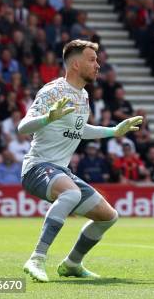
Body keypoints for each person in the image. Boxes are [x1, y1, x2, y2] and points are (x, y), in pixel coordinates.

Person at [18, 40, 143, 282]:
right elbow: (23, 127)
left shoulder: (83, 95)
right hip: (37, 167)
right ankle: (37, 258)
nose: (98, 65)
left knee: (108, 216)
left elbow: (80, 129)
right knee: (71, 194)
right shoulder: (52, 91)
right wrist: (47, 117)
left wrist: (113, 132)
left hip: (61, 170)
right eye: (92, 60)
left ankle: (72, 264)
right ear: (75, 64)